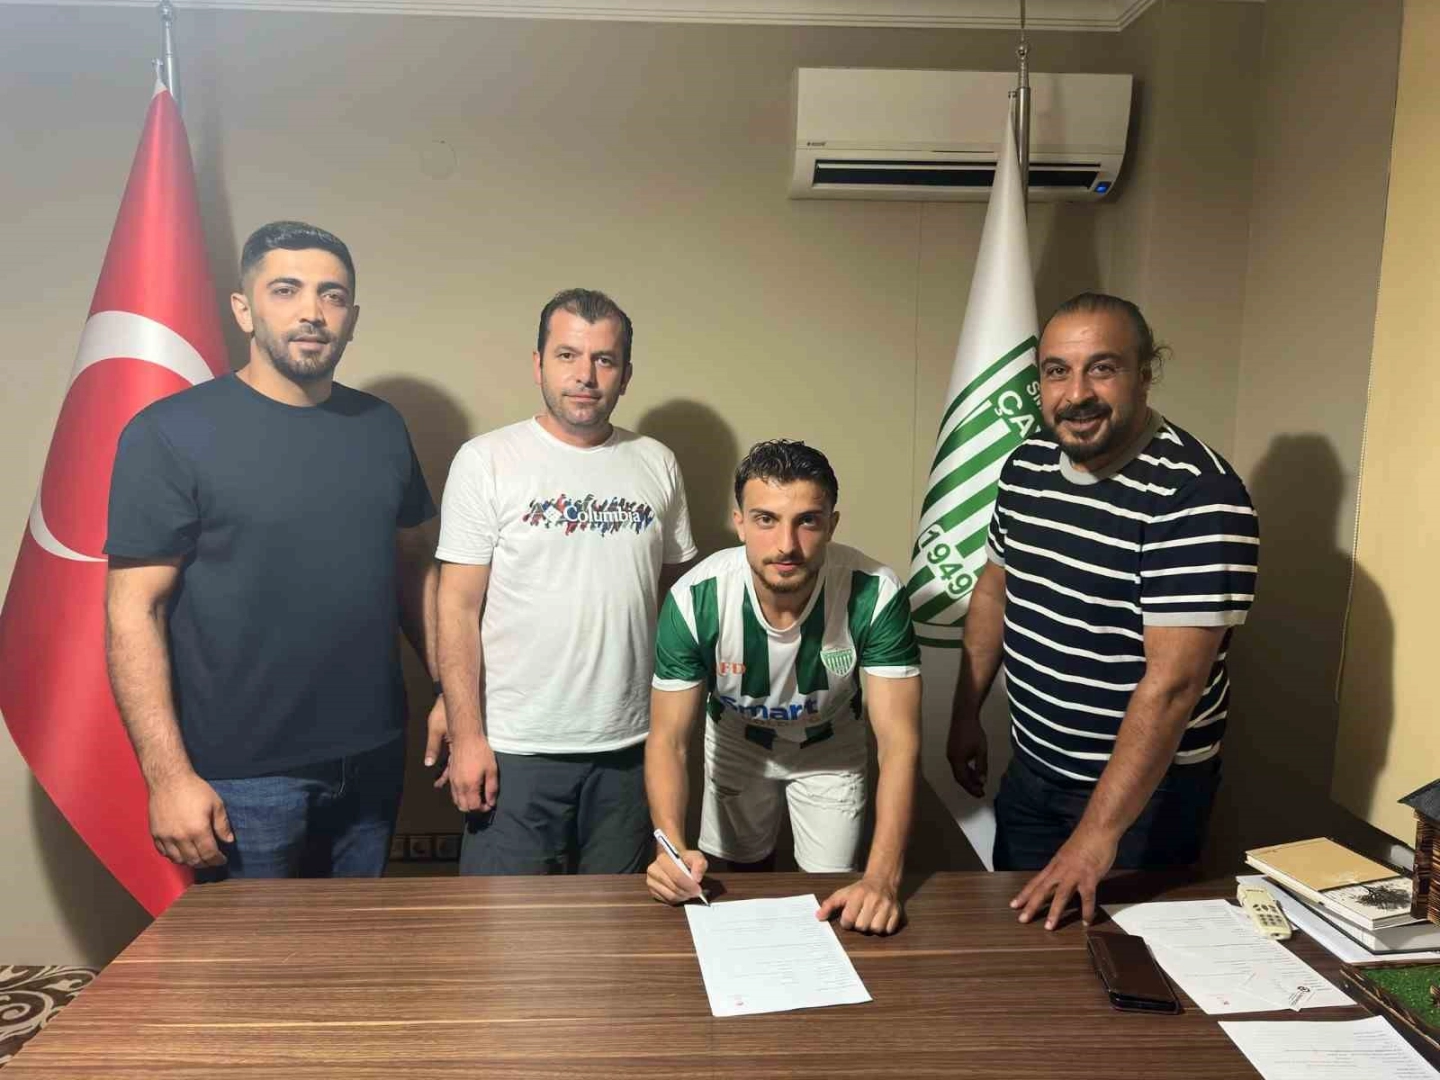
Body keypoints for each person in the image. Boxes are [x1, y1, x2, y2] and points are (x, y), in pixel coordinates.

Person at [105, 221, 441, 879]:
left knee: (355, 941)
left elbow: (413, 571)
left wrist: (451, 689)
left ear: (351, 318)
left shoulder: (382, 427)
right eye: (285, 290)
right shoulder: (169, 433)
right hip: (241, 777)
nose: (312, 312)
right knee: (250, 950)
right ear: (244, 309)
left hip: (373, 757)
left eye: (332, 295)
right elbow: (133, 612)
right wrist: (167, 777)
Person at [947, 292, 1260, 930]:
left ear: (1145, 373)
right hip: (1033, 770)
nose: (1076, 393)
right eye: (1057, 371)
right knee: (1023, 948)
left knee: (1122, 960)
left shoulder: (1198, 494)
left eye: (1103, 368)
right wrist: (965, 713)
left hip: (1143, 802)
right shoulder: (1027, 465)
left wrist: (1096, 836)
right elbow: (994, 591)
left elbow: (1173, 686)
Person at [436, 288, 696, 875]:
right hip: (516, 748)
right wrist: (466, 735)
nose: (585, 375)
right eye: (567, 355)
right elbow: (456, 608)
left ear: (626, 374)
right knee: (508, 923)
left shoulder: (657, 462)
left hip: (631, 749)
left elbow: (674, 602)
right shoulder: (486, 460)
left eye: (604, 359)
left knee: (619, 921)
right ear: (538, 364)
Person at [645, 440, 922, 935]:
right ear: (740, 523)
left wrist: (882, 879)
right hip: (737, 739)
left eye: (807, 521)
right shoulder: (695, 598)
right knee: (734, 883)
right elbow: (668, 739)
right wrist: (669, 849)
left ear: (832, 524)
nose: (786, 545)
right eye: (766, 520)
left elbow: (898, 743)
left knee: (832, 894)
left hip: (829, 746)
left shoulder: (875, 591)